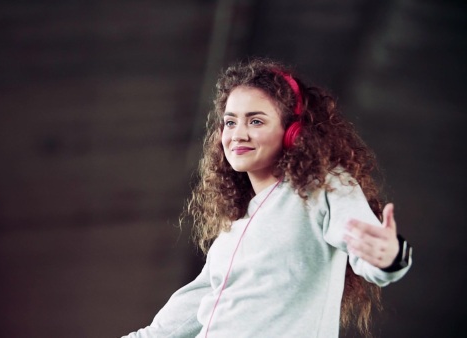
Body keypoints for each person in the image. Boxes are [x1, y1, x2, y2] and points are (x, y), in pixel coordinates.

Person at [122, 58, 412, 338]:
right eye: (231, 122)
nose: (238, 134)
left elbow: (369, 251)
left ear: (292, 132)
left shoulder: (323, 188)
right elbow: (172, 325)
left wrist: (389, 257)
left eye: (256, 121)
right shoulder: (233, 232)